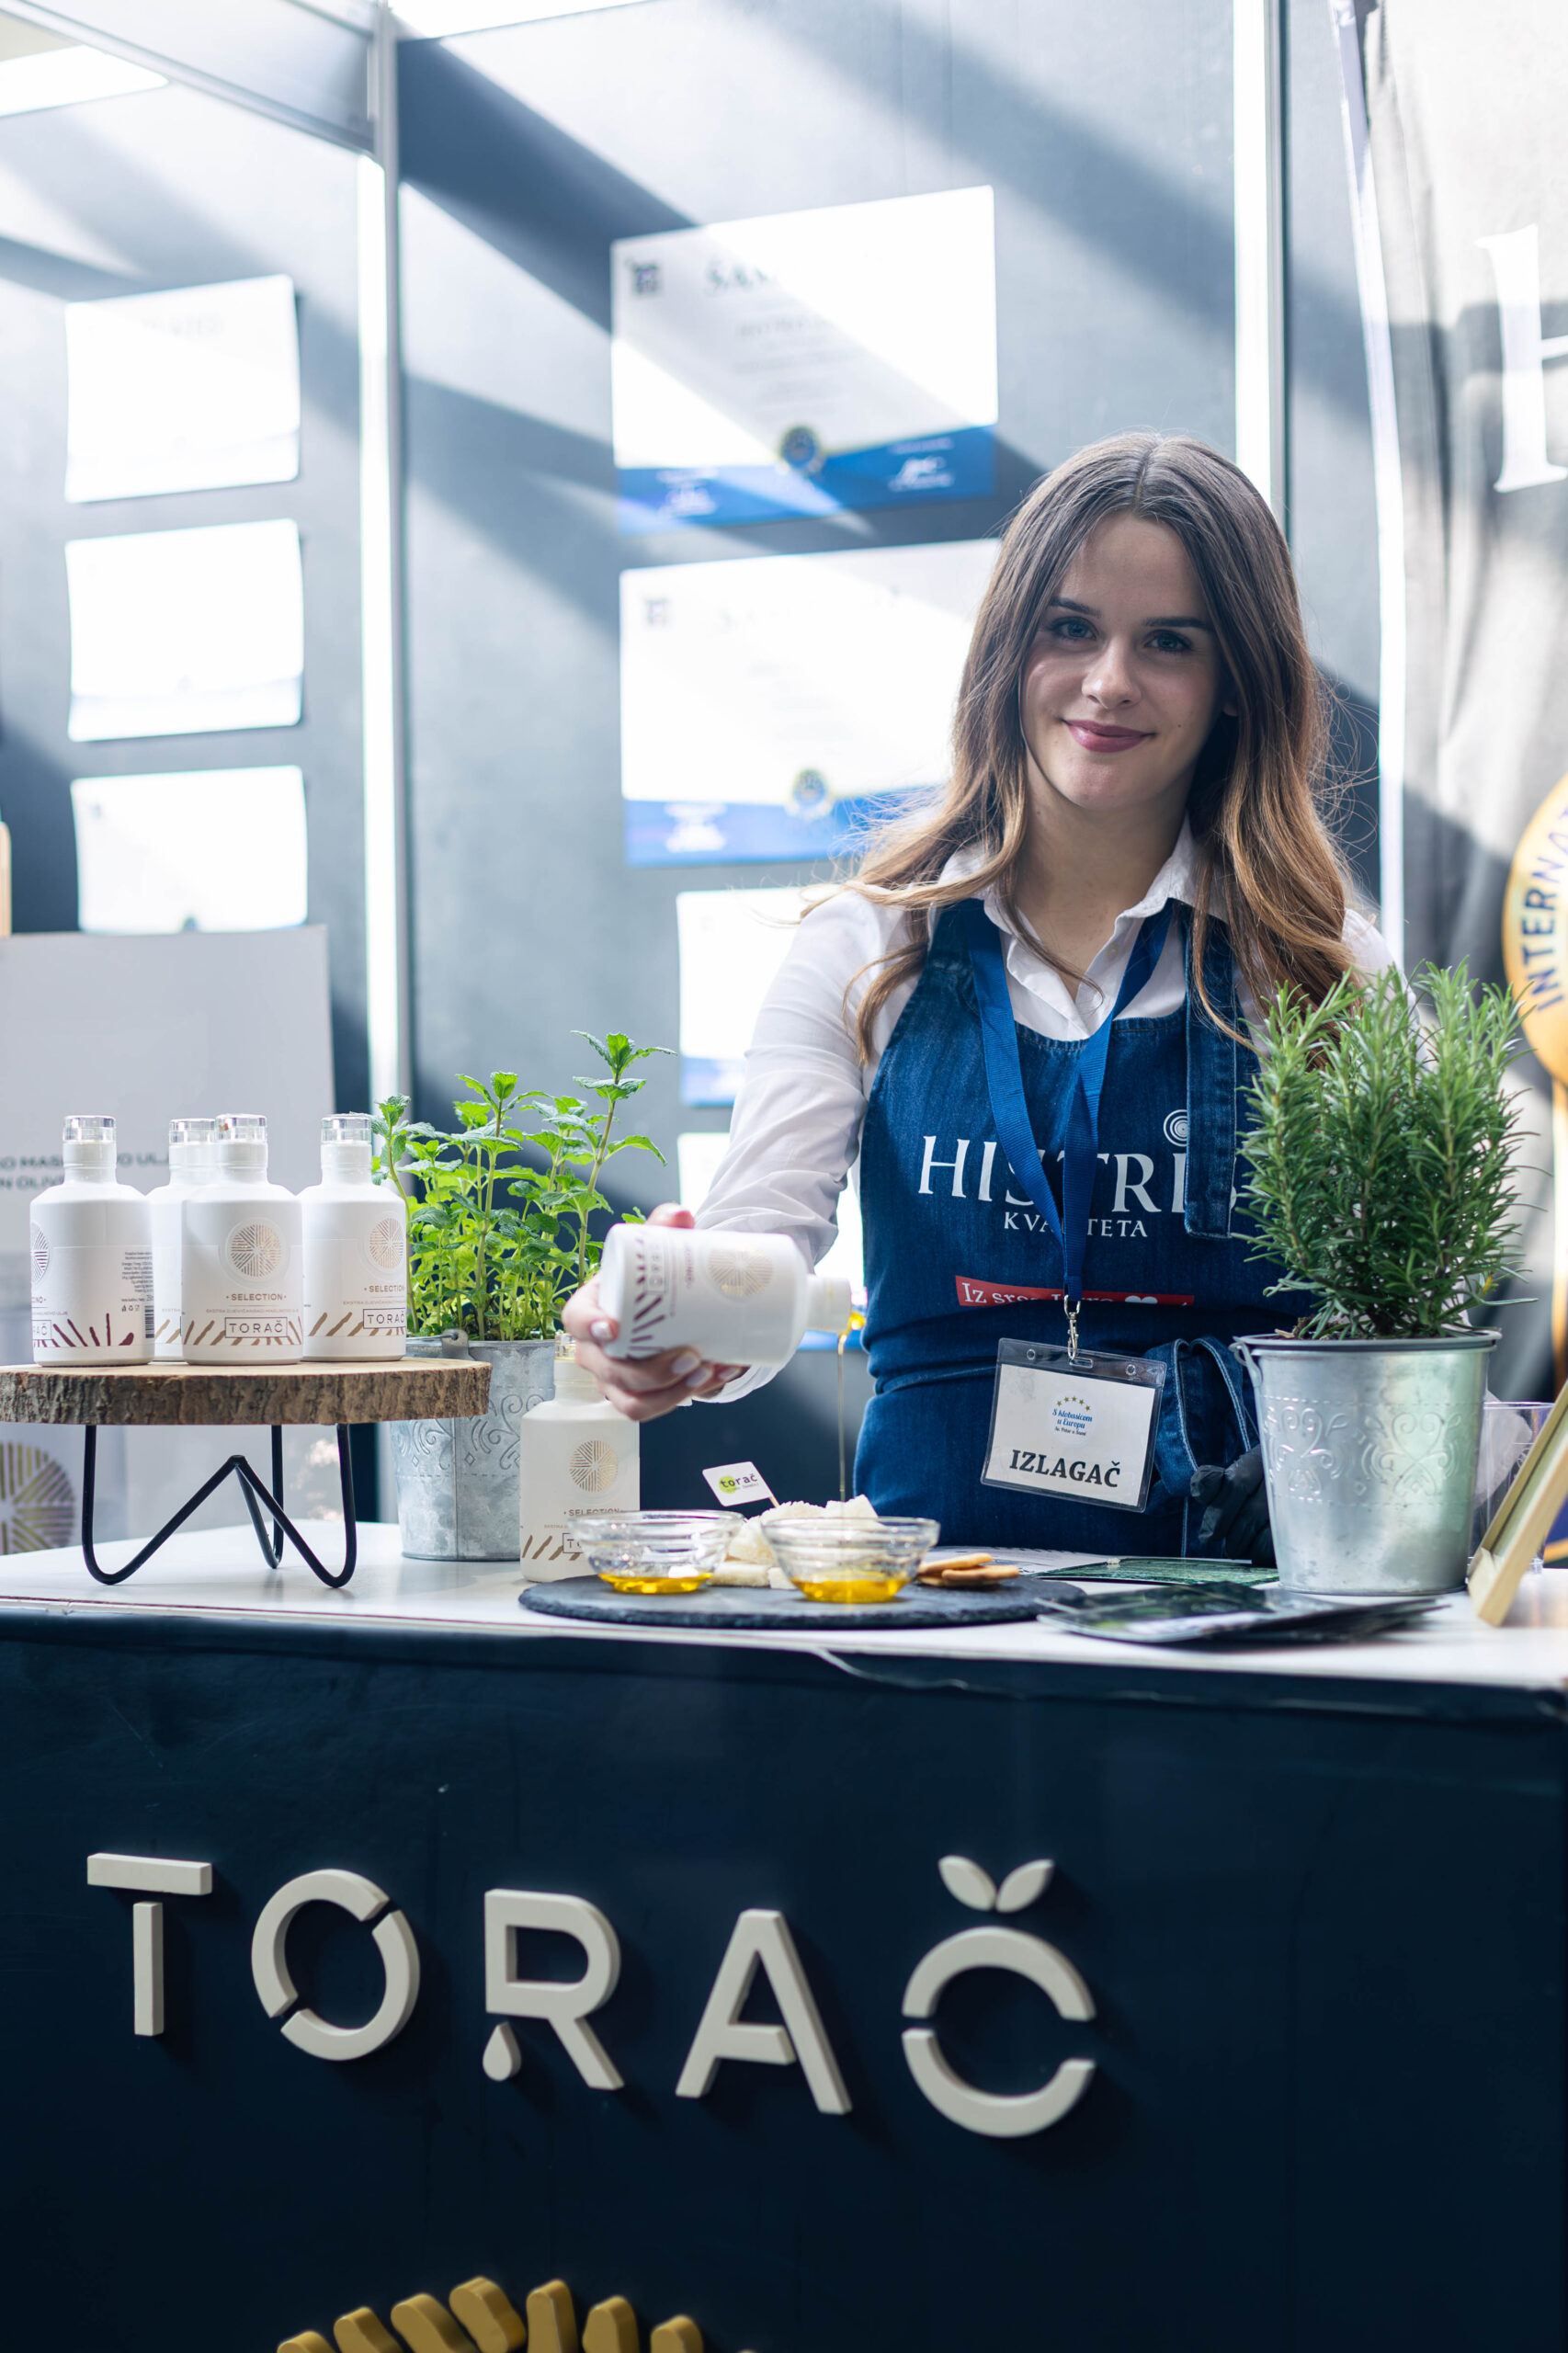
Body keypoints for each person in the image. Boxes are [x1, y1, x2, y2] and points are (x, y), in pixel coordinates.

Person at [564, 432, 1392, 1561]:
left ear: (1235, 685)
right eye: (1070, 628)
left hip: (1228, 1613)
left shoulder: (1318, 969)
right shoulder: (867, 947)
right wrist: (672, 1326)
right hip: (932, 1603)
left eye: (1167, 641)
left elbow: (1403, 1329)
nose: (1108, 681)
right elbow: (759, 1243)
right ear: (1006, 648)